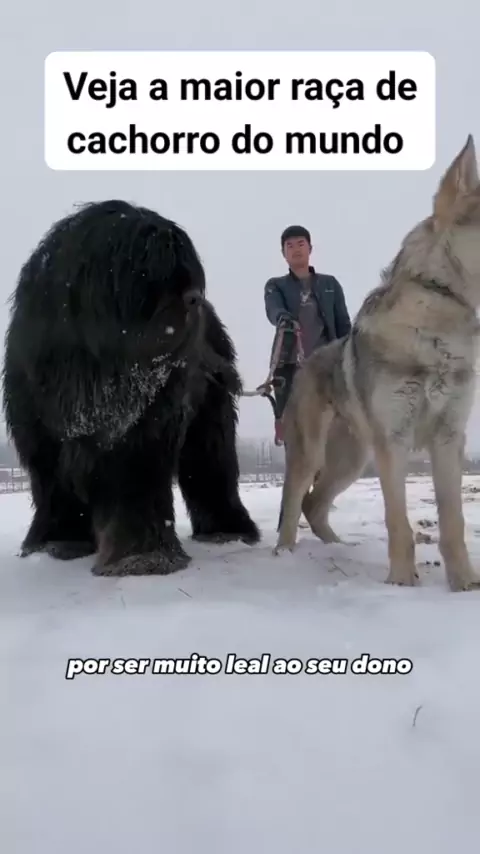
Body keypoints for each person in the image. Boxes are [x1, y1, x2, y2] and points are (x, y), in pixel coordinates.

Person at [264, 224, 352, 446]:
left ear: (310, 248)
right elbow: (274, 309)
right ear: (283, 253)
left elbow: (343, 324)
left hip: (327, 368)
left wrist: (350, 358)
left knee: (331, 430)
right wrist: (284, 318)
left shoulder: (330, 284)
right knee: (295, 432)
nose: (296, 249)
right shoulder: (275, 286)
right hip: (289, 367)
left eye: (301, 244)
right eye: (290, 245)